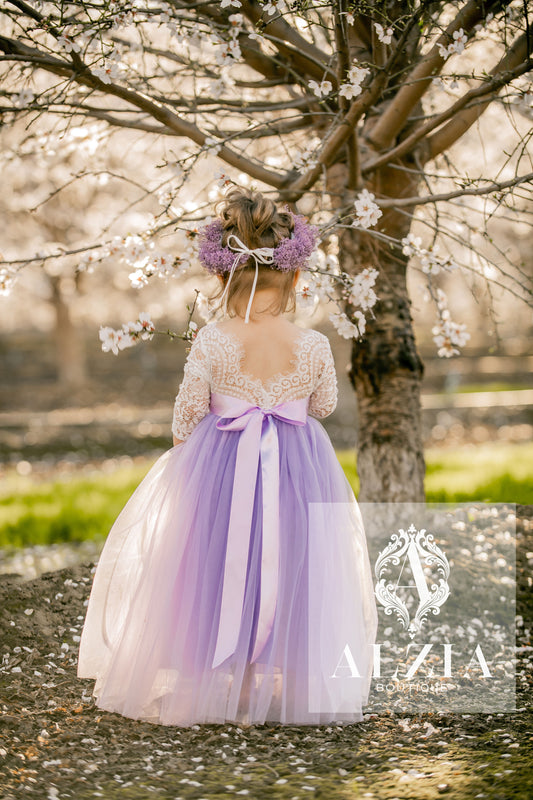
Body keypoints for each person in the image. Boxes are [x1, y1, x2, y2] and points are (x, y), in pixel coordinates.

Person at [77, 187, 378, 727]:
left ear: (221, 280)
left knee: (219, 564)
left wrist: (194, 451)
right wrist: (282, 404)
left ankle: (227, 679)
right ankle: (289, 673)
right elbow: (325, 406)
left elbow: (184, 416)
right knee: (291, 564)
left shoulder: (213, 340)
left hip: (223, 466)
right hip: (296, 470)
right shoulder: (311, 345)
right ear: (296, 280)